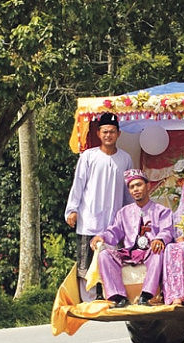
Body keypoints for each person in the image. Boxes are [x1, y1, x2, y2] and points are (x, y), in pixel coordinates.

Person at [64, 112, 133, 301]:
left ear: (118, 134)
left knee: (111, 260)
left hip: (113, 222)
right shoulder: (88, 156)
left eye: (112, 132)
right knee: (86, 262)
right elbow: (78, 184)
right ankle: (89, 300)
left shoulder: (125, 159)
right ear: (98, 133)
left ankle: (110, 296)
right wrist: (72, 210)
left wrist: (131, 215)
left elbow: (128, 191)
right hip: (89, 219)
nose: (108, 135)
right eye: (105, 132)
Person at [90, 169, 173, 308]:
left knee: (158, 251)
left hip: (150, 251)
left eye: (139, 185)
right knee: (104, 255)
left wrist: (160, 239)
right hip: (130, 252)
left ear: (148, 186)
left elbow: (167, 230)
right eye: (132, 187)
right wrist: (102, 237)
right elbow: (114, 232)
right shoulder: (124, 212)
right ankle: (118, 297)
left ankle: (146, 296)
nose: (135, 189)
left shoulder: (162, 211)